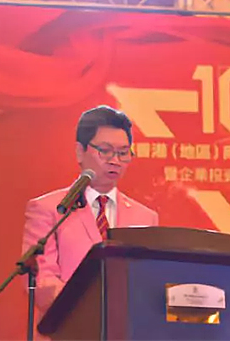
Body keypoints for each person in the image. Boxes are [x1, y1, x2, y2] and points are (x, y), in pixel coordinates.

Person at [21, 105, 159, 313]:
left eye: (123, 153)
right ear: (80, 151)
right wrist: (93, 306)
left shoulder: (146, 217)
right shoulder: (49, 208)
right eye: (105, 151)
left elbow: (148, 280)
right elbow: (41, 280)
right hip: (67, 324)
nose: (115, 161)